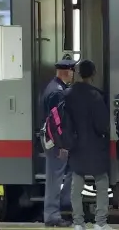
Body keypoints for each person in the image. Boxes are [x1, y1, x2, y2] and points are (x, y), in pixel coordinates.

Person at [65, 60, 114, 230]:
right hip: (94, 145)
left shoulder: (68, 94)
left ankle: (78, 223)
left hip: (75, 145)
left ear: (78, 73)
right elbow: (102, 125)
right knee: (101, 183)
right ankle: (100, 223)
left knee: (76, 184)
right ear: (93, 74)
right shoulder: (96, 96)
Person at [42, 58, 77, 227]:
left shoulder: (57, 88)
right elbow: (57, 123)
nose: (73, 74)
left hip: (58, 141)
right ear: (67, 72)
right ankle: (51, 216)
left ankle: (64, 202)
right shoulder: (57, 92)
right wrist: (62, 145)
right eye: (72, 71)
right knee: (55, 178)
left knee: (68, 172)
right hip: (57, 142)